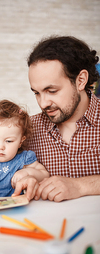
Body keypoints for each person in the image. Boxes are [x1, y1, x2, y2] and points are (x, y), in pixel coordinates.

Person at [25, 35, 100, 202]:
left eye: (51, 91)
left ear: (81, 80)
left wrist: (80, 186)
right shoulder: (28, 128)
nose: (43, 103)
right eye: (37, 93)